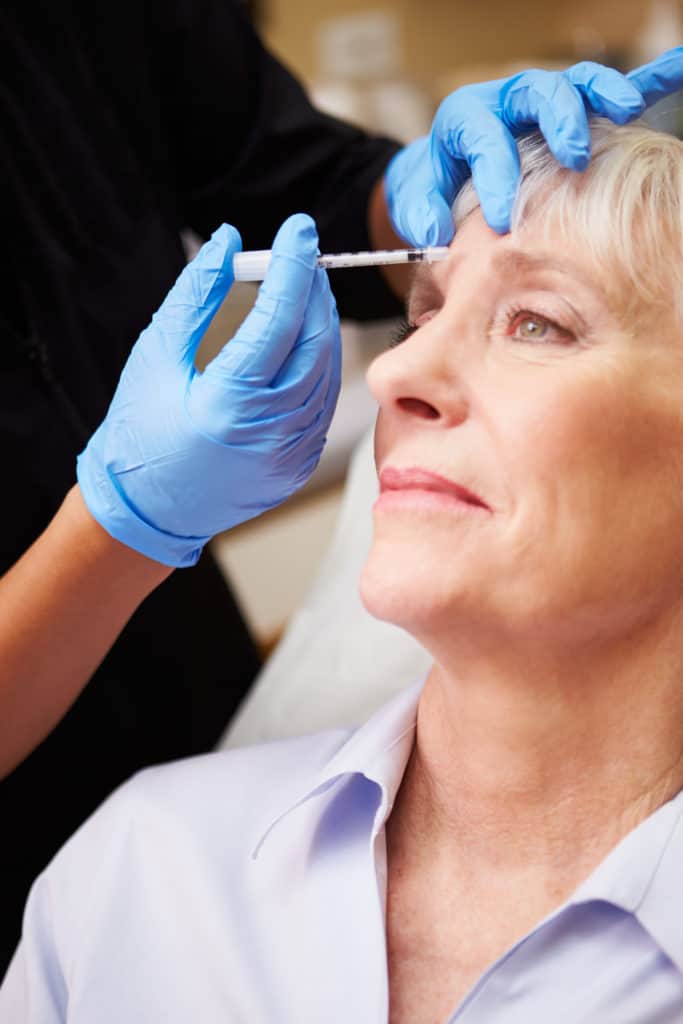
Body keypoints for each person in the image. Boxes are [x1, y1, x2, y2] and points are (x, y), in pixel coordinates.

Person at [4, 0, 677, 973]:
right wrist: (118, 528)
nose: (393, 374)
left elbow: (292, 171)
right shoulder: (127, 875)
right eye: (423, 313)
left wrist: (399, 192)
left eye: (536, 321)